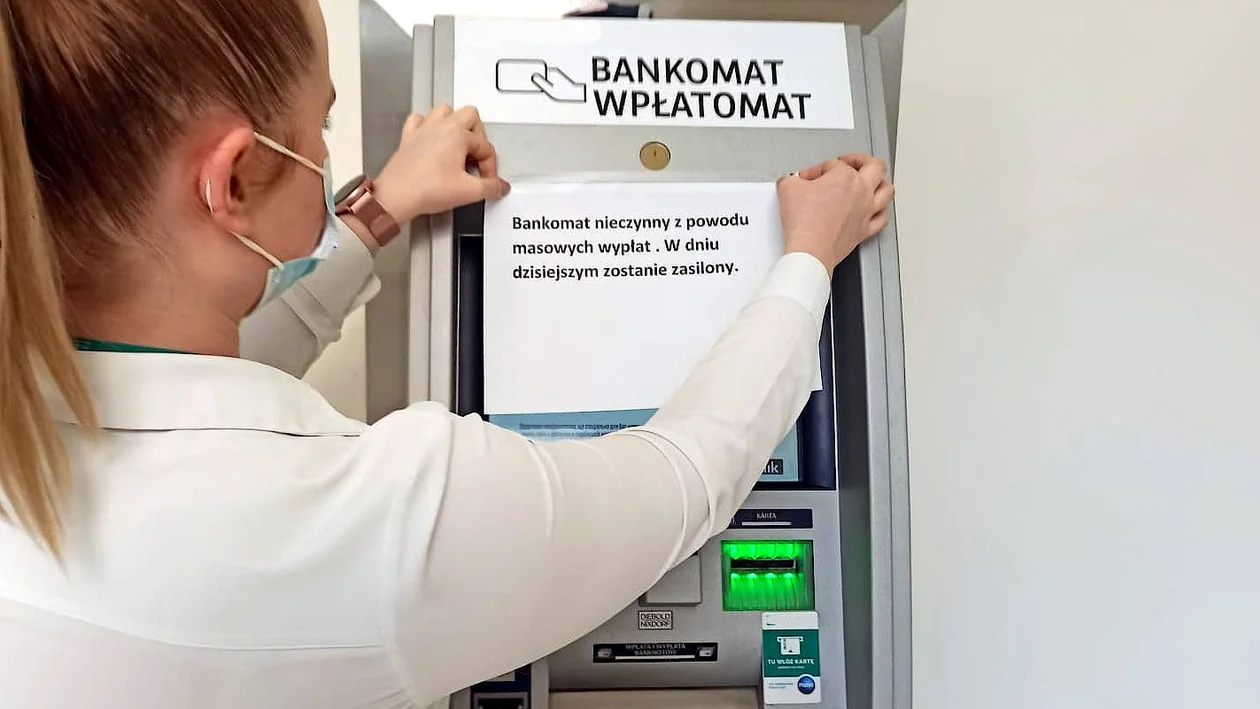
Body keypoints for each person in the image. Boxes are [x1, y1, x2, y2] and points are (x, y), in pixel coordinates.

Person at [0, 0, 894, 707]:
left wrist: (380, 206)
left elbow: (197, 378)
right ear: (233, 179)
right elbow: (689, 472)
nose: (323, 154)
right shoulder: (376, 521)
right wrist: (807, 257)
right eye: (319, 129)